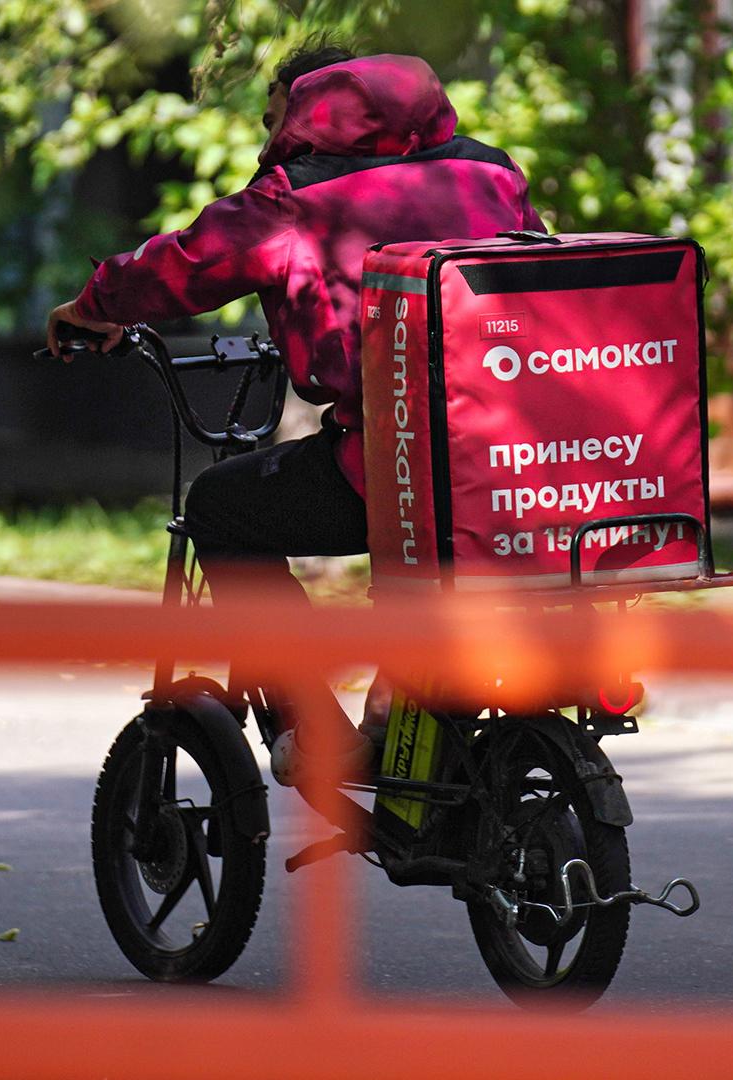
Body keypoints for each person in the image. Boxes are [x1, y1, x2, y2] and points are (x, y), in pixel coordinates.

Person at [46, 47, 543, 786]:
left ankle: (316, 725)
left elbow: (185, 264)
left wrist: (93, 306)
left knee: (222, 508)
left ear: (314, 107)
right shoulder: (491, 173)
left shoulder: (296, 196)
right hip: (527, 462)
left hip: (396, 472)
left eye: (278, 115)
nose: (269, 136)